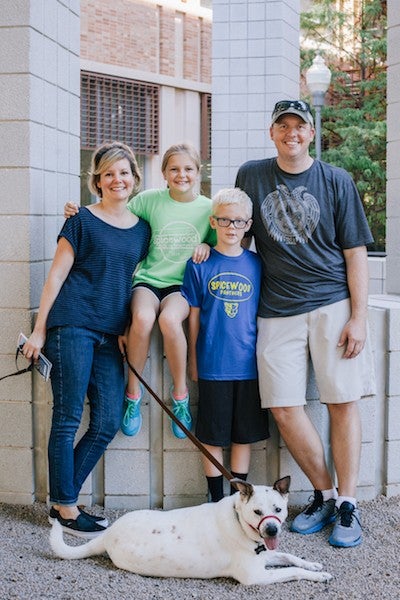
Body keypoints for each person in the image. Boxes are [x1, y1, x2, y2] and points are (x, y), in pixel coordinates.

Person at [235, 99, 375, 547]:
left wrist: (358, 316)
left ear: (311, 133)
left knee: (342, 400)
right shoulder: (251, 175)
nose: (291, 132)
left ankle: (349, 506)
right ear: (271, 132)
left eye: (299, 126)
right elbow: (230, 223)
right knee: (282, 406)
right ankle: (326, 494)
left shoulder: (336, 180)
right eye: (283, 126)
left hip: (332, 303)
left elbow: (355, 253)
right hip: (276, 308)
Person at [22, 142, 150, 538]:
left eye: (124, 173)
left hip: (111, 333)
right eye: (109, 174)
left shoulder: (143, 230)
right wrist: (41, 330)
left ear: (134, 179)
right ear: (97, 181)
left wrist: (130, 327)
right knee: (68, 416)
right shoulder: (80, 221)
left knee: (108, 419)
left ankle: (64, 499)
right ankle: (65, 506)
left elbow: (140, 281)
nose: (117, 179)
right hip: (72, 325)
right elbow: (56, 276)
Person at [64, 143, 216, 439]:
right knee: (144, 319)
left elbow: (221, 241)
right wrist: (78, 211)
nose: (180, 174)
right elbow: (111, 214)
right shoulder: (148, 200)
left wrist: (207, 245)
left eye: (187, 169)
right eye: (173, 169)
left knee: (170, 320)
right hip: (147, 280)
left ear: (198, 173)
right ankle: (132, 396)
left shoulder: (208, 208)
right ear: (163, 173)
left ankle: (180, 396)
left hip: (181, 286)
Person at [181, 188, 269, 502]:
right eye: (224, 220)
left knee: (243, 433)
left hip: (248, 364)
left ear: (248, 225)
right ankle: (215, 498)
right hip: (213, 363)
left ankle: (238, 497)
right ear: (213, 221)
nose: (231, 227)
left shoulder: (258, 265)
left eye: (239, 221)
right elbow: (193, 317)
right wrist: (193, 357)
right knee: (212, 434)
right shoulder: (199, 264)